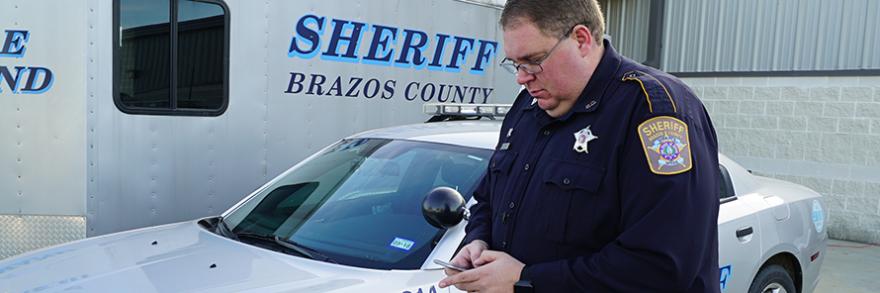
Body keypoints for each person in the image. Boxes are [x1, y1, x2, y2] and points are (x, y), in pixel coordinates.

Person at [437, 0, 721, 292]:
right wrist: (478, 240)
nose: (522, 78)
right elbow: (488, 197)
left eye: (533, 60)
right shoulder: (529, 106)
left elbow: (662, 265)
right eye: (515, 64)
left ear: (581, 40)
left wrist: (526, 280)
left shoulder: (653, 109)